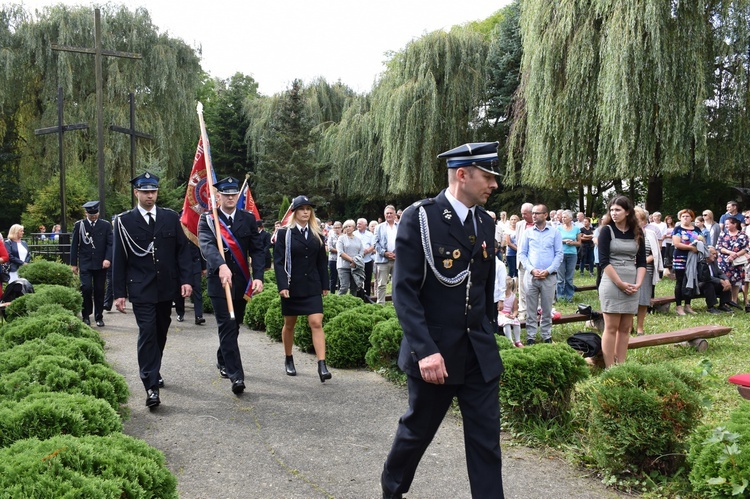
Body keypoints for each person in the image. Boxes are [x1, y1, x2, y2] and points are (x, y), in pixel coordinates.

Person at [381, 142, 504, 498]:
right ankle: (391, 490)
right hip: (435, 353)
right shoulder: (420, 217)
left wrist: (490, 332)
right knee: (417, 432)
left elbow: (482, 287)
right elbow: (404, 292)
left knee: (486, 441)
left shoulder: (484, 222)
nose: (494, 185)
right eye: (487, 176)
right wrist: (425, 351)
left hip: (478, 352)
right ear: (462, 175)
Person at [112, 172, 193, 408]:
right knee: (147, 332)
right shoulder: (124, 222)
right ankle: (150, 385)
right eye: (145, 191)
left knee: (160, 331)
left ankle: (154, 369)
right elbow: (119, 259)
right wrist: (119, 293)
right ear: (136, 193)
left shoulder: (169, 218)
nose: (150, 196)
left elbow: (182, 251)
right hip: (141, 288)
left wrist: (186, 280)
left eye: (153, 191)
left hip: (166, 287)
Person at [199, 177, 265, 395]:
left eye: (233, 194)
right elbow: (207, 246)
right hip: (220, 284)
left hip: (242, 284)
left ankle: (222, 359)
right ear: (218, 196)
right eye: (225, 194)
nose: (229, 198)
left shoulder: (247, 219)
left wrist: (258, 276)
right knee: (227, 326)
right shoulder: (208, 219)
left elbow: (257, 249)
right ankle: (236, 376)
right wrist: (220, 265)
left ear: (238, 196)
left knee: (234, 327)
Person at [273, 195, 331, 381]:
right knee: (290, 324)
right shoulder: (284, 234)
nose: (306, 212)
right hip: (292, 286)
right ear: (294, 212)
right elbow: (279, 261)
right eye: (302, 209)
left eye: (308, 209)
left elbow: (322, 263)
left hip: (312, 285)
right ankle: (289, 358)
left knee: (316, 322)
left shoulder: (317, 235)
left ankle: (322, 365)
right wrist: (282, 285)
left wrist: (325, 284)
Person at [597, 196, 646, 367]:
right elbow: (604, 261)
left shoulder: (637, 231)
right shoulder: (606, 231)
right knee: (611, 327)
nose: (614, 213)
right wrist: (620, 283)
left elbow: (641, 262)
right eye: (611, 210)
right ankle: (610, 366)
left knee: (625, 327)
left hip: (632, 281)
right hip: (612, 281)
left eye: (617, 210)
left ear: (627, 212)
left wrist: (638, 284)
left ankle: (622, 365)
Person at [519, 204, 563, 344]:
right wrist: (531, 269)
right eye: (533, 213)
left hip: (548, 276)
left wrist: (548, 270)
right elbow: (522, 254)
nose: (534, 215)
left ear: (545, 215)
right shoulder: (528, 233)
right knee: (530, 308)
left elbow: (559, 254)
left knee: (547, 308)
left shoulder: (555, 232)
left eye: (537, 213)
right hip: (531, 276)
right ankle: (531, 336)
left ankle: (546, 335)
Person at [70, 201, 112, 327]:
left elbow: (110, 244)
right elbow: (74, 245)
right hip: (86, 263)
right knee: (86, 289)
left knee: (99, 290)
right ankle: (86, 315)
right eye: (91, 214)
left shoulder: (105, 225)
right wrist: (73, 264)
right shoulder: (80, 225)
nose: (93, 216)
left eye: (95, 213)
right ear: (85, 213)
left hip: (100, 263)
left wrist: (107, 259)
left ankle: (99, 316)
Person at [634, 207, 662, 335]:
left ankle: (640, 326)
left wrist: (643, 261)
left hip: (646, 269)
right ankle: (628, 325)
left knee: (644, 299)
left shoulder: (650, 234)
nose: (636, 222)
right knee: (628, 299)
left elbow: (655, 253)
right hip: (628, 269)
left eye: (639, 219)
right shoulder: (625, 234)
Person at [672, 209, 702, 316]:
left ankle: (688, 304)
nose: (685, 218)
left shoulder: (697, 229)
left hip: (693, 258)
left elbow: (702, 241)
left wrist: (698, 246)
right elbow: (677, 243)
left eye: (688, 216)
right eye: (683, 216)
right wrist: (690, 248)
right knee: (680, 281)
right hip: (680, 258)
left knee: (691, 279)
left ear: (692, 218)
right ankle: (678, 306)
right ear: (680, 218)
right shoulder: (678, 229)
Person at [716, 214, 749, 308]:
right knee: (726, 280)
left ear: (734, 224)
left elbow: (746, 248)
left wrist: (736, 255)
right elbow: (719, 247)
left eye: (728, 224)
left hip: (737, 262)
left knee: (736, 281)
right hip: (724, 261)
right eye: (725, 224)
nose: (726, 226)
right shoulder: (723, 234)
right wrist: (730, 253)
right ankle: (726, 300)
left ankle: (734, 300)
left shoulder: (742, 236)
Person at [174, 242, 206, 325]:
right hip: (181, 266)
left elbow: (200, 249)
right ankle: (180, 313)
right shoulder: (179, 233)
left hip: (195, 264)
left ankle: (199, 316)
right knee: (180, 292)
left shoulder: (193, 232)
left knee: (197, 291)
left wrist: (203, 266)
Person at [374, 205, 398, 304]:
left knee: (396, 283)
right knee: (381, 284)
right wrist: (385, 253)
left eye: (390, 213)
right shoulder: (379, 227)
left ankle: (396, 303)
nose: (389, 215)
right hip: (383, 259)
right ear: (384, 215)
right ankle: (380, 304)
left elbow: (404, 241)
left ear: (395, 214)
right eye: (387, 213)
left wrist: (396, 253)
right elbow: (376, 243)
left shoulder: (400, 226)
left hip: (397, 259)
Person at [556, 210, 581, 302]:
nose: (563, 219)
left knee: (569, 277)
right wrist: (564, 241)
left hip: (572, 254)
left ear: (570, 218)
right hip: (561, 254)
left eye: (565, 217)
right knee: (560, 277)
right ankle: (560, 296)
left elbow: (579, 243)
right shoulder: (558, 228)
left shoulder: (576, 229)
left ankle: (569, 296)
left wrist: (573, 242)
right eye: (562, 217)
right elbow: (555, 241)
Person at [701, 246, 733, 313]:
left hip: (713, 283)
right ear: (707, 254)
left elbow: (720, 272)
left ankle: (723, 304)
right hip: (702, 285)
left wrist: (726, 280)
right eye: (713, 254)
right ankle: (711, 307)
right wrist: (720, 281)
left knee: (726, 283)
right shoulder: (701, 263)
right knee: (709, 285)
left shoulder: (714, 262)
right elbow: (705, 277)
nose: (715, 256)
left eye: (716, 254)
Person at [336, 220, 363, 295]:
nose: (347, 228)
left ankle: (353, 304)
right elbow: (340, 252)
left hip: (355, 267)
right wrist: (352, 260)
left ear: (353, 228)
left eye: (349, 226)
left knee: (354, 288)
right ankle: (339, 303)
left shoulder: (358, 240)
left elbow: (361, 252)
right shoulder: (341, 238)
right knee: (344, 287)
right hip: (343, 266)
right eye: (346, 227)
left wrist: (356, 262)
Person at [498, 276, 522, 348]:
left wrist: (514, 315)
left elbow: (515, 309)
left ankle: (518, 341)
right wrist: (504, 315)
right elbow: (497, 310)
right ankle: (510, 341)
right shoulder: (499, 297)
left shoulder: (513, 297)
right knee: (506, 323)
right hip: (501, 314)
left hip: (509, 314)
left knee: (516, 323)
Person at [354, 218, 376, 298]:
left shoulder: (370, 235)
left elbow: (373, 245)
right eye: (357, 223)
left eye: (360, 223)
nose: (358, 225)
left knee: (367, 279)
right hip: (357, 261)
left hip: (367, 260)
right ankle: (358, 297)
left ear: (365, 225)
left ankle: (367, 297)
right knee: (357, 280)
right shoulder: (354, 234)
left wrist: (366, 251)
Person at [327, 221, 342, 292]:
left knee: (341, 277)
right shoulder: (331, 237)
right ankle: (332, 292)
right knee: (333, 277)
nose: (337, 229)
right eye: (335, 228)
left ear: (341, 228)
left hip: (342, 260)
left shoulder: (343, 236)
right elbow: (329, 248)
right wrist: (340, 251)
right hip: (333, 259)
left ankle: (341, 293)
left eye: (338, 228)